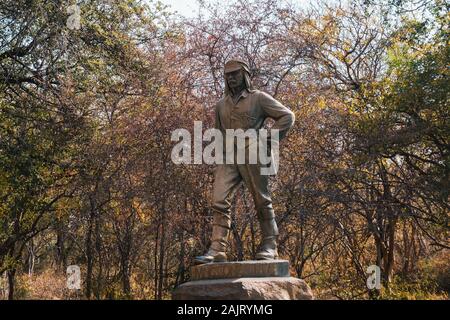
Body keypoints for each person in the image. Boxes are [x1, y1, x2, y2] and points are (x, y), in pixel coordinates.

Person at [194, 59, 295, 264]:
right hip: (229, 156)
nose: (231, 78)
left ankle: (270, 244)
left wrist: (266, 139)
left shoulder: (258, 98)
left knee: (261, 199)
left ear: (245, 75)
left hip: (252, 152)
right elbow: (220, 133)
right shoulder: (221, 105)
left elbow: (287, 116)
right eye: (228, 75)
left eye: (235, 74)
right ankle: (217, 249)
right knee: (219, 200)